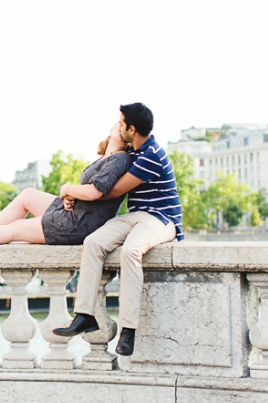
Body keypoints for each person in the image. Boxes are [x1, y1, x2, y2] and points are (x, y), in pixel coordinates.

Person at [53, 102, 182, 358]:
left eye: (121, 124)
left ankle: (128, 330)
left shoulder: (151, 155)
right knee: (93, 243)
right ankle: (84, 315)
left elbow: (110, 192)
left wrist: (69, 190)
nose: (118, 127)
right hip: (135, 215)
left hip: (162, 219)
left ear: (131, 129)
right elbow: (98, 181)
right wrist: (73, 195)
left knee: (131, 252)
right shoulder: (133, 151)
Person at [0, 121, 132, 247]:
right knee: (27, 195)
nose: (122, 128)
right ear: (112, 129)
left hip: (79, 224)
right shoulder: (108, 157)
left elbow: (94, 192)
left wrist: (66, 189)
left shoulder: (120, 159)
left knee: (17, 228)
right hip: (76, 212)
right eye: (120, 124)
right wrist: (69, 197)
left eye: (126, 127)